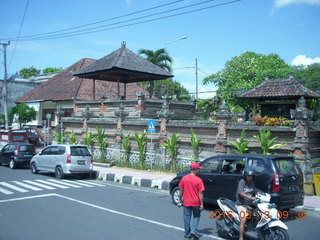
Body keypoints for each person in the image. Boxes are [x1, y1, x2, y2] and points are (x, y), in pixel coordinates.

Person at [179, 162, 205, 240]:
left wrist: (180, 198)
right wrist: (202, 204)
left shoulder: (184, 178)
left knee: (187, 218)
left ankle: (187, 234)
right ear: (195, 169)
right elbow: (200, 193)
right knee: (196, 216)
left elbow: (181, 190)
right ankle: (193, 231)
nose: (199, 171)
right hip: (196, 203)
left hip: (186, 202)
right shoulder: (199, 180)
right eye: (198, 169)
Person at [236, 168, 258, 240]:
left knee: (257, 216)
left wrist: (260, 194)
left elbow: (255, 191)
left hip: (250, 204)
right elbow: (241, 193)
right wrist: (249, 197)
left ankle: (253, 230)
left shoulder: (252, 182)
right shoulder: (241, 182)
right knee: (244, 219)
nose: (250, 177)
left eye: (251, 176)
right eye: (248, 176)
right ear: (245, 176)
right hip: (241, 204)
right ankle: (241, 237)